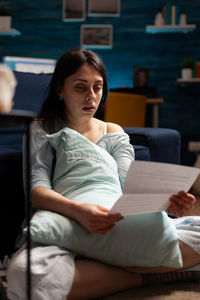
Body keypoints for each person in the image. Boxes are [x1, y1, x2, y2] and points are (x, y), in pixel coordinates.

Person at [7, 48, 200, 300]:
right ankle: (147, 274)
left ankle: (107, 267)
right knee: (25, 274)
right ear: (60, 90)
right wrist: (80, 212)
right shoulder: (43, 129)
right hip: (68, 219)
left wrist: (169, 203)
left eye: (97, 87)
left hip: (118, 221)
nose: (91, 97)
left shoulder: (112, 131)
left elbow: (129, 184)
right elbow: (38, 190)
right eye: (80, 87)